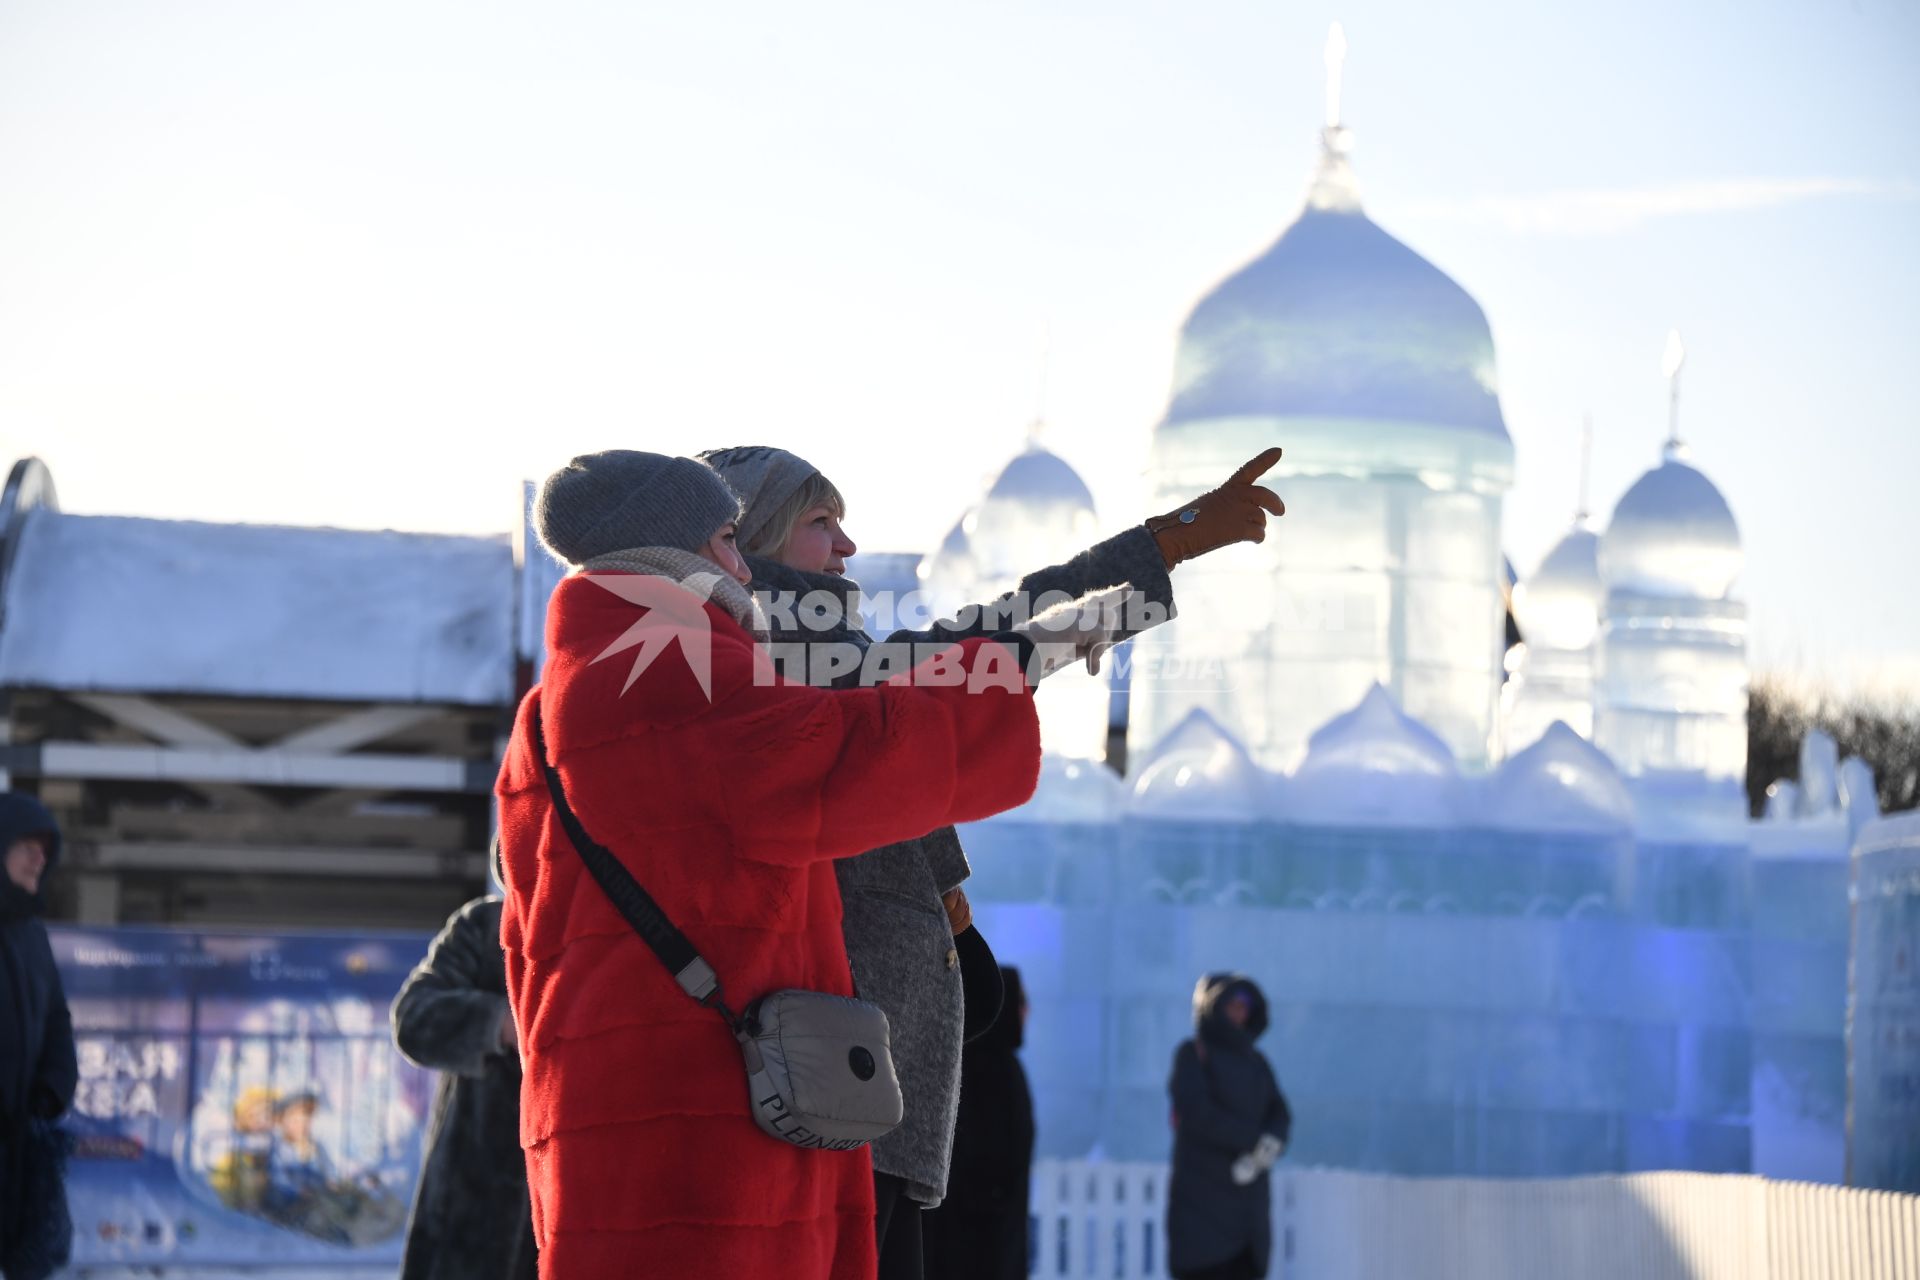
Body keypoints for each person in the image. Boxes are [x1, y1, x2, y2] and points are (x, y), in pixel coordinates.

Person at [496, 451, 1092, 1280]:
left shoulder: (553, 703)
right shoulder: (668, 662)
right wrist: (1015, 668)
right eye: (729, 537)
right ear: (675, 549)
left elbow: (525, 938)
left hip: (611, 1097)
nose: (744, 564)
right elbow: (835, 757)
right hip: (702, 1117)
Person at [701, 443, 1284, 1280]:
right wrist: (1163, 546)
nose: (847, 549)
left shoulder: (825, 662)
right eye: (820, 524)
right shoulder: (784, 663)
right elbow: (993, 631)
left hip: (854, 1092)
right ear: (750, 542)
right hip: (825, 1096)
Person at [391, 891, 537, 1280]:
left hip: (572, 1222)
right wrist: (500, 1023)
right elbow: (413, 1017)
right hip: (466, 1219)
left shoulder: (614, 934)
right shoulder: (488, 926)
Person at [1166, 974, 1291, 1280]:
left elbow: (1280, 1111)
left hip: (1249, 1225)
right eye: (1230, 1003)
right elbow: (1197, 1112)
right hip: (1202, 1216)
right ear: (1212, 1007)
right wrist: (1252, 1140)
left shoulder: (1257, 1062)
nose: (1238, 1011)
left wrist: (1269, 1145)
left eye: (1244, 1005)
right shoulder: (1193, 1054)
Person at [0, 793, 77, 1280]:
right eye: (28, 844)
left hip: (18, 1151)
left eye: (45, 849)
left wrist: (50, 1093)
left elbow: (56, 1022)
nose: (39, 857)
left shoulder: (33, 937)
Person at [921, 966, 1033, 1280]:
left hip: (980, 1237)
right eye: (1021, 1001)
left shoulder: (976, 1063)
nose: (1027, 1011)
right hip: (981, 1241)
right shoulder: (993, 1072)